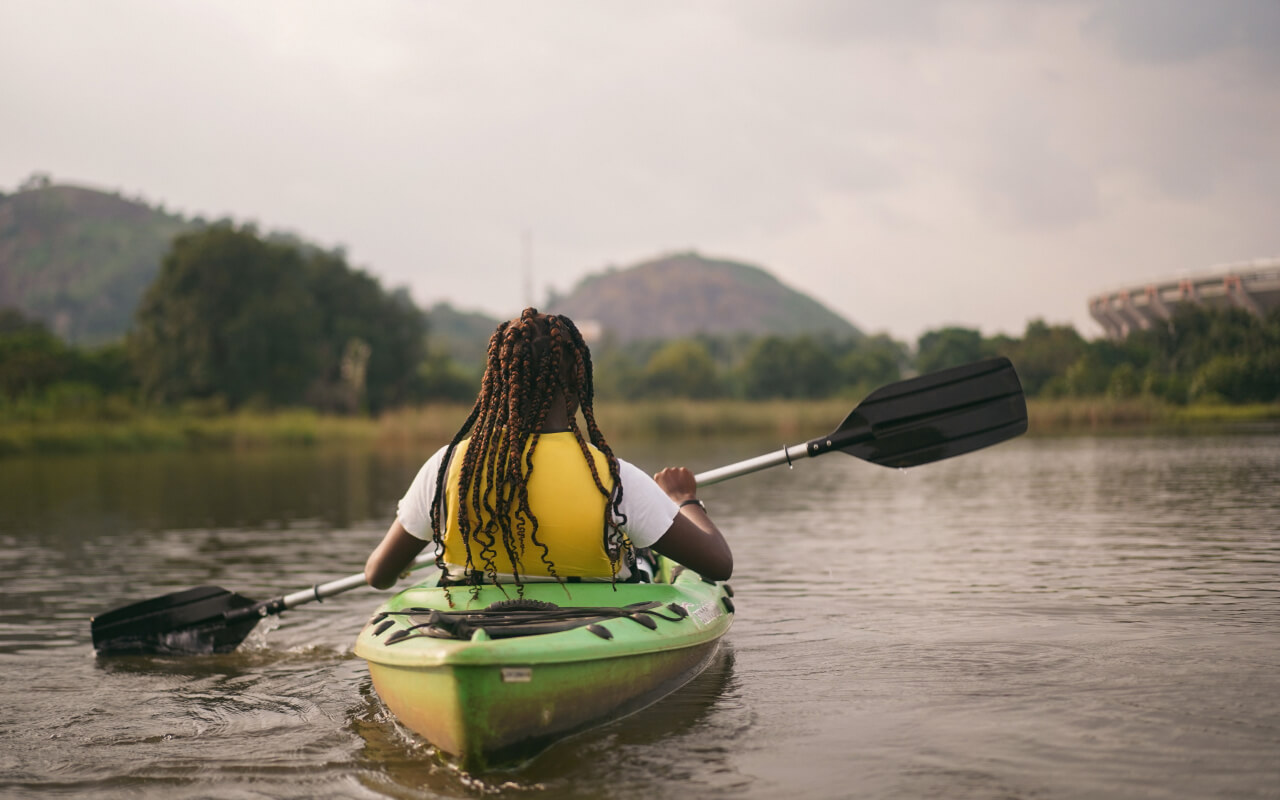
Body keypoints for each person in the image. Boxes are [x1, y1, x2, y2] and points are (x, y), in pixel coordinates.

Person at [365, 308, 732, 591]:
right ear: (578, 384)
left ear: (497, 384)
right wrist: (684, 499)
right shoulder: (614, 479)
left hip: (469, 620)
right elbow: (718, 564)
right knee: (642, 554)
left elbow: (378, 575)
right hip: (594, 625)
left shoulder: (446, 468)